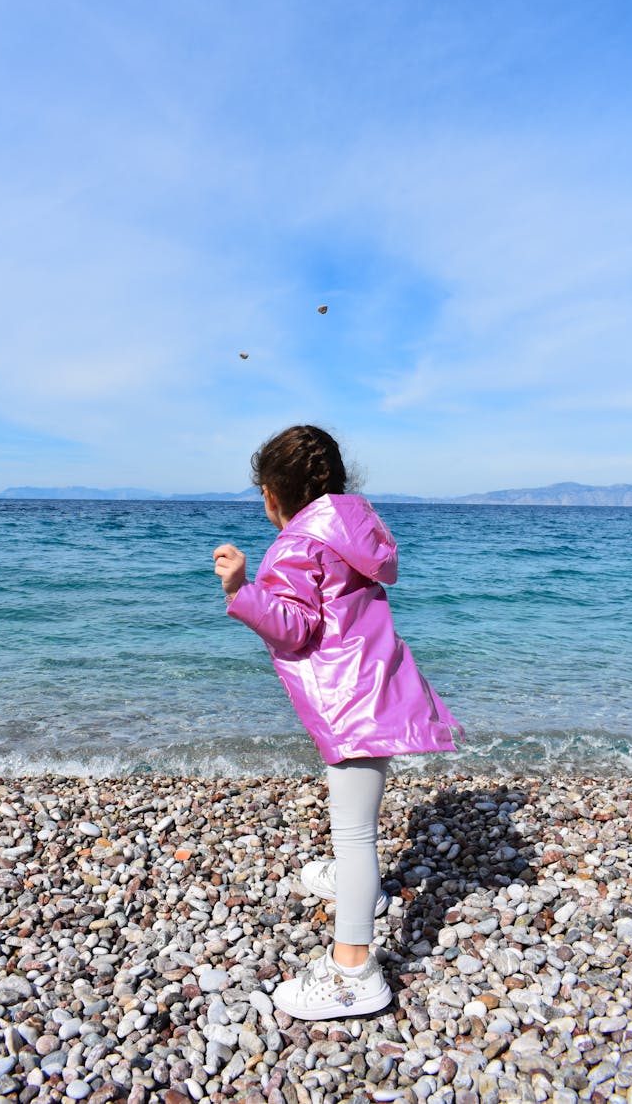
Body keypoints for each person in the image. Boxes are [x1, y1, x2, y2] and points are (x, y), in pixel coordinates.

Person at [213, 425, 463, 1020]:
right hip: (376, 685)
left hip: (350, 702)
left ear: (272, 494)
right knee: (356, 824)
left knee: (355, 835)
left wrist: (240, 589)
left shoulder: (296, 545)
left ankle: (355, 972)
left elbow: (294, 627)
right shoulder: (355, 529)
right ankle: (359, 885)